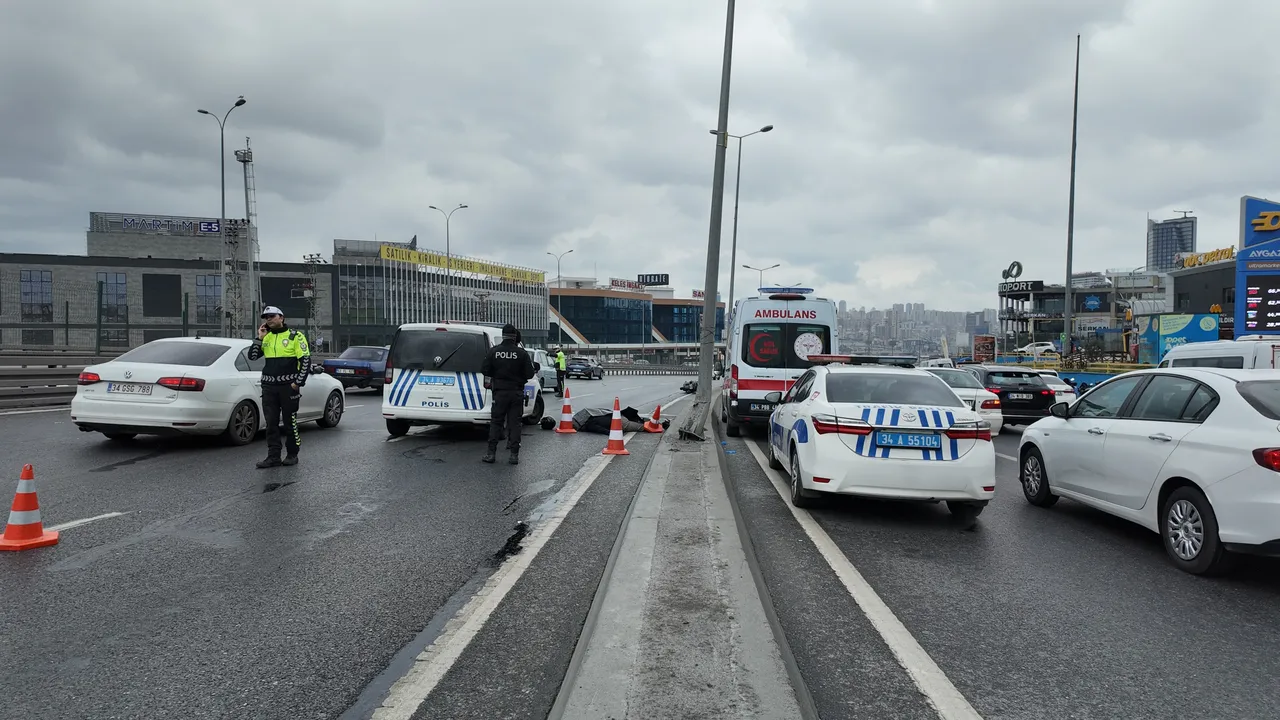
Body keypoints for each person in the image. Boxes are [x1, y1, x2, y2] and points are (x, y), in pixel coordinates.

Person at [249, 306, 311, 469]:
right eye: (265, 317)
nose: (268, 319)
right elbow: (253, 356)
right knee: (271, 423)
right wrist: (259, 337)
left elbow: (305, 360)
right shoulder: (266, 337)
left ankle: (292, 454)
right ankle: (273, 456)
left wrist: (298, 383)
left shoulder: (295, 336)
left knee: (290, 422)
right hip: (269, 386)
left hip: (288, 387)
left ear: (281, 317)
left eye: (271, 316)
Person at [481, 323, 535, 465]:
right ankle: (513, 456)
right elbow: (530, 374)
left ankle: (491, 454)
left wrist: (497, 375)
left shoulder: (494, 351)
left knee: (496, 423)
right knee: (515, 423)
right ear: (515, 336)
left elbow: (485, 370)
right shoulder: (522, 354)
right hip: (516, 392)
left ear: (503, 335)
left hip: (499, 392)